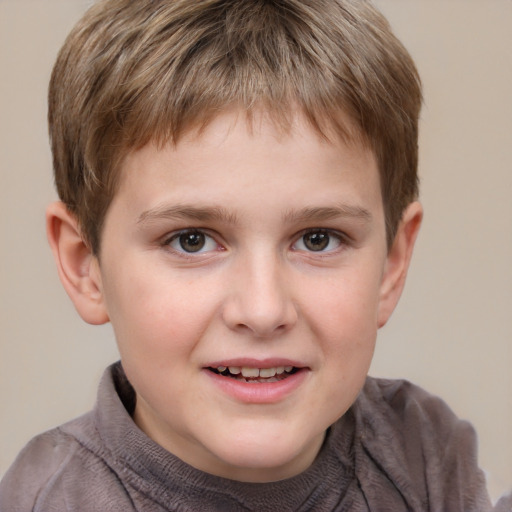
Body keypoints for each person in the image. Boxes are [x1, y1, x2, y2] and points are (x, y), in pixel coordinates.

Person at [0, 0, 496, 510]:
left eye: (318, 239)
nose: (262, 310)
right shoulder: (47, 500)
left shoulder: (424, 456)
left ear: (391, 266)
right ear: (86, 265)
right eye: (191, 240)